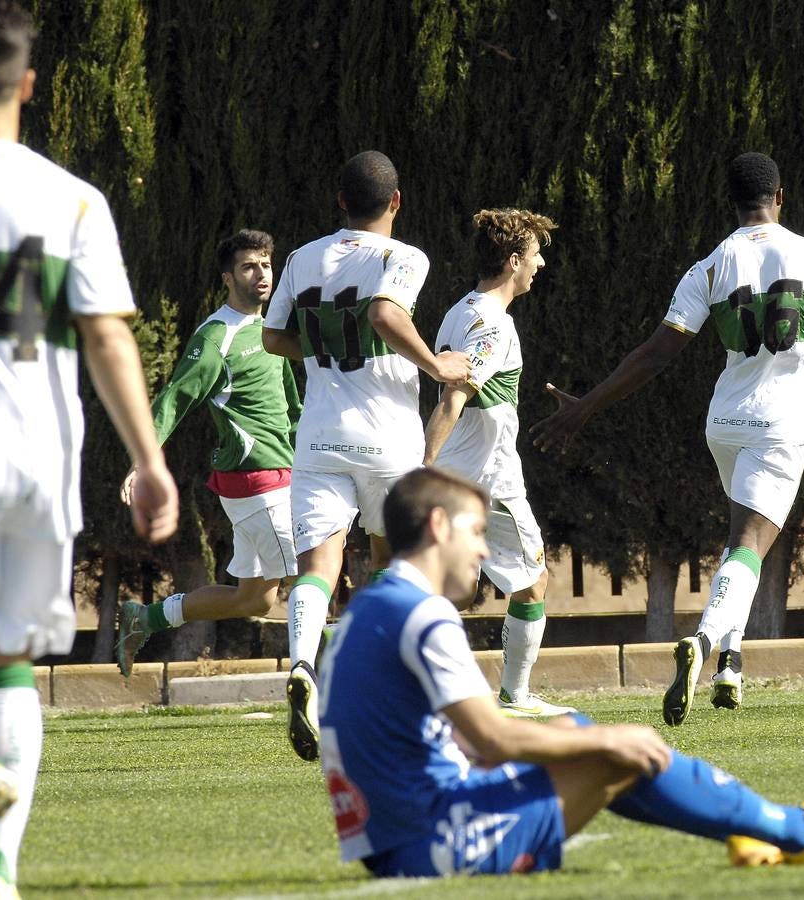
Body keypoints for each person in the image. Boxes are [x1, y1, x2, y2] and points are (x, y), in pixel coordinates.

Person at [0, 3, 179, 898]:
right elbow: (107, 339)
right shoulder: (72, 198)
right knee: (15, 655)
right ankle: (2, 873)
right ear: (28, 85)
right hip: (42, 460)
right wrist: (150, 459)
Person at [318, 466, 804, 877]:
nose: (485, 553)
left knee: (585, 734)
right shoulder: (423, 614)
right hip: (431, 841)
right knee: (617, 750)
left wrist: (578, 733)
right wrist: (605, 738)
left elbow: (462, 741)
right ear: (439, 526)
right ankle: (800, 831)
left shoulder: (370, 609)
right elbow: (491, 737)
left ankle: (749, 828)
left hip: (394, 835)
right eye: (476, 533)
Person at [532, 152, 804, 726]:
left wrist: (585, 407)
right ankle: (705, 642)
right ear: (780, 197)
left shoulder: (709, 266)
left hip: (725, 424)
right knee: (748, 549)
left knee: (741, 542)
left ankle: (731, 664)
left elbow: (655, 355)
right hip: (782, 426)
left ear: (732, 203)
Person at [262, 150, 471, 761]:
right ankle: (384, 685)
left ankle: (304, 665)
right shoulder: (404, 256)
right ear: (396, 202)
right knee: (393, 567)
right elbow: (384, 314)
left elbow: (274, 336)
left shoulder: (301, 258)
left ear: (340, 201)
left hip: (321, 434)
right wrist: (437, 364)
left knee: (317, 570)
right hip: (388, 436)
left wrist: (326, 347)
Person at [114, 229, 301, 675]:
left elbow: (291, 405)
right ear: (227, 278)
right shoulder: (216, 337)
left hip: (280, 476)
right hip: (257, 482)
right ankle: (339, 674)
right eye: (248, 267)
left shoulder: (270, 329)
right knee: (309, 579)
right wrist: (142, 461)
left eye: (266, 265)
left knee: (253, 597)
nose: (261, 274)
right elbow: (174, 399)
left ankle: (148, 617)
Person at [422, 208, 573, 718]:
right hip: (489, 481)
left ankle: (351, 642)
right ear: (513, 261)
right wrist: (423, 465)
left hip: (460, 476)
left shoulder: (458, 310)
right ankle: (515, 697)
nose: (541, 264)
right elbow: (454, 398)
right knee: (533, 582)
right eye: (535, 255)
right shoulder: (494, 324)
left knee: (449, 589)